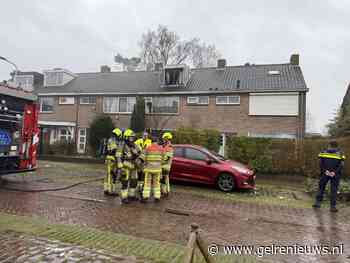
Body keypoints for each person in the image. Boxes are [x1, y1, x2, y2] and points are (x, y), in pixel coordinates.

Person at [313, 140, 346, 212]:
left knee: (321, 187)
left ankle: (317, 203)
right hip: (335, 175)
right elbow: (341, 165)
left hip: (325, 173)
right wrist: (334, 172)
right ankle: (332, 207)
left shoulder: (323, 152)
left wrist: (325, 171)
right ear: (337, 146)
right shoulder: (341, 153)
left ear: (329, 145)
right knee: (333, 190)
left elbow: (320, 163)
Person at [121, 129, 143, 204]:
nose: (132, 139)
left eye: (133, 137)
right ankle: (124, 197)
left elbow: (140, 151)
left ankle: (131, 195)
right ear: (126, 137)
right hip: (125, 166)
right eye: (130, 137)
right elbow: (118, 156)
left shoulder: (135, 145)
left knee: (134, 181)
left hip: (134, 166)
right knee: (125, 182)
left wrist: (138, 156)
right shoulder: (122, 145)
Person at [104, 128, 123, 195]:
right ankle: (110, 191)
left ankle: (106, 189)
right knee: (111, 175)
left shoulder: (111, 139)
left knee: (108, 174)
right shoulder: (113, 140)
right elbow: (114, 150)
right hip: (112, 159)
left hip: (109, 159)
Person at [160, 132, 174, 197]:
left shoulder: (169, 146)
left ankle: (164, 192)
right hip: (165, 165)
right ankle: (167, 191)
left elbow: (167, 158)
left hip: (165, 166)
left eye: (164, 138)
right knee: (166, 179)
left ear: (167, 139)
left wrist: (160, 161)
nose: (163, 140)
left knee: (163, 179)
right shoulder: (166, 146)